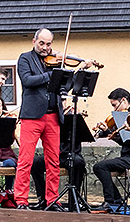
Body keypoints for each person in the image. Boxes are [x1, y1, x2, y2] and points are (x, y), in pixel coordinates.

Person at [14, 28, 61, 208]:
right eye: (42, 43)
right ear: (34, 42)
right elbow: (27, 80)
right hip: (32, 116)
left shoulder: (56, 61)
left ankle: (52, 199)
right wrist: (50, 75)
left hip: (53, 115)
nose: (45, 47)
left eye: (48, 44)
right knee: (26, 160)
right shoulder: (25, 58)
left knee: (53, 162)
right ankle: (21, 199)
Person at [31, 92, 88, 207]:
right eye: (59, 101)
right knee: (35, 162)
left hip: (70, 154)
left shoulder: (73, 117)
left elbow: (83, 136)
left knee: (78, 162)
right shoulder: (50, 117)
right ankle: (43, 198)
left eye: (63, 100)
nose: (61, 103)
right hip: (54, 154)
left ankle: (74, 199)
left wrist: (77, 120)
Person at [92, 87, 130, 209]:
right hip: (128, 156)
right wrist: (105, 132)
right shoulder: (123, 116)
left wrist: (110, 132)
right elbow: (123, 140)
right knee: (102, 167)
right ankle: (117, 199)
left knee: (99, 166)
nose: (114, 109)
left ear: (124, 100)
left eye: (115, 105)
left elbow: (129, 141)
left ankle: (112, 201)